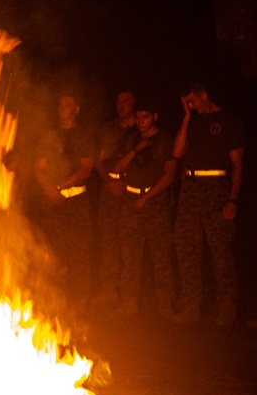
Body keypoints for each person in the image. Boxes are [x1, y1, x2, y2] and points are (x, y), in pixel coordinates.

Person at [172, 82, 245, 325]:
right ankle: (192, 304)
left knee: (220, 248)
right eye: (186, 103)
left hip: (216, 189)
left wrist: (232, 199)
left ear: (203, 95)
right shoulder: (191, 122)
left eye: (192, 101)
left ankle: (227, 305)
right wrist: (185, 118)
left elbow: (237, 164)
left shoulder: (228, 121)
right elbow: (178, 153)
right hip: (190, 190)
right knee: (187, 247)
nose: (190, 105)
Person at [108, 100, 177, 318]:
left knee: (161, 256)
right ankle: (129, 303)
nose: (140, 121)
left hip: (155, 203)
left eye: (145, 117)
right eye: (138, 117)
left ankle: (165, 305)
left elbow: (169, 175)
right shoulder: (131, 139)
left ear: (155, 116)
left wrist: (146, 197)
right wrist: (134, 150)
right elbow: (115, 168)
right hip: (130, 202)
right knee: (129, 257)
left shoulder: (165, 140)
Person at [34, 93, 96, 315]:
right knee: (56, 251)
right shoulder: (50, 136)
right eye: (60, 104)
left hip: (76, 202)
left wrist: (61, 187)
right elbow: (38, 167)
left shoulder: (82, 135)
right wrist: (49, 189)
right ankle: (59, 300)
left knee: (79, 251)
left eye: (69, 104)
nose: (63, 108)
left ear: (76, 109)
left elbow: (86, 169)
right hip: (54, 202)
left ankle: (80, 302)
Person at [92, 90, 138, 309]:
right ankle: (108, 291)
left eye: (126, 101)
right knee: (108, 241)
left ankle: (129, 297)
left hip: (132, 191)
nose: (122, 105)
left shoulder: (141, 126)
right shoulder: (107, 130)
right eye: (118, 102)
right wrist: (108, 182)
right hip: (109, 190)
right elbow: (98, 160)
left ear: (134, 104)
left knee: (129, 245)